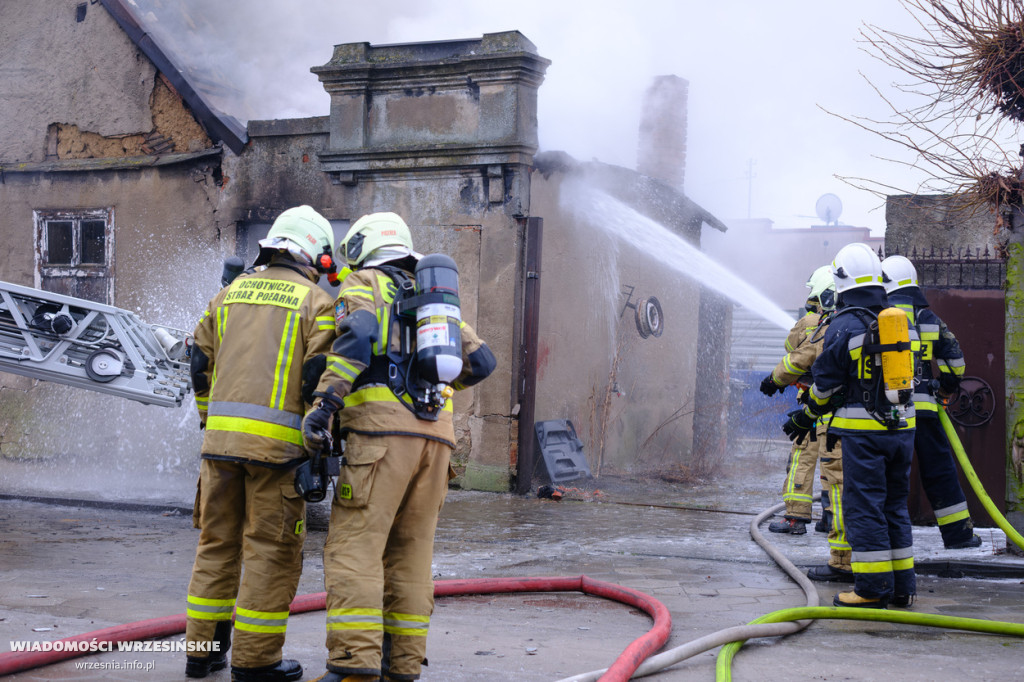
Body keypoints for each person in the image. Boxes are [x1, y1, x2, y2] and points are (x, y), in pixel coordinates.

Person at [303, 212, 496, 682]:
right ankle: (403, 667)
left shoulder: (364, 283)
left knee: (356, 548)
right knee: (412, 554)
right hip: (436, 443)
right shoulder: (434, 299)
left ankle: (353, 665)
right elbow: (482, 362)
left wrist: (326, 404)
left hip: (380, 441)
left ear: (362, 247)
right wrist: (425, 385)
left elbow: (356, 337)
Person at [185, 206, 339, 681]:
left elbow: (198, 364)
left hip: (219, 448)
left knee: (216, 545)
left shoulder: (228, 294)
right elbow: (319, 378)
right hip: (278, 457)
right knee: (270, 553)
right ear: (315, 254)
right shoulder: (317, 303)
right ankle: (255, 662)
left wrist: (210, 419)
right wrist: (318, 442)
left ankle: (202, 653)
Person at [792, 242, 919, 609]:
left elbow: (825, 383)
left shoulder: (844, 325)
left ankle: (871, 589)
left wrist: (807, 414)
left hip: (865, 437)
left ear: (842, 281)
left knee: (864, 508)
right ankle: (902, 587)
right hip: (903, 430)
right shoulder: (901, 322)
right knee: (895, 507)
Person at [881, 255, 981, 549]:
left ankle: (885, 535)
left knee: (886, 472)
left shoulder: (878, 317)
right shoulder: (929, 319)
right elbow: (956, 363)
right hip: (925, 409)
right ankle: (959, 535)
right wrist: (943, 388)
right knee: (940, 470)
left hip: (885, 411)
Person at [761, 266, 835, 536]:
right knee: (833, 465)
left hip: (813, 406)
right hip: (841, 409)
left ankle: (796, 518)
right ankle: (830, 517)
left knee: (802, 457)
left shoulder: (813, 322)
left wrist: (774, 380)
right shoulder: (848, 323)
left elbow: (793, 351)